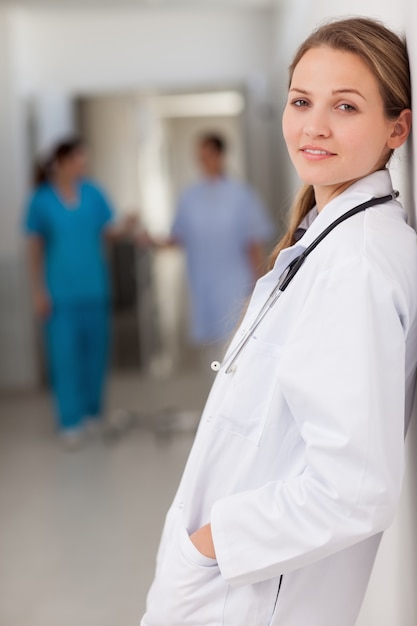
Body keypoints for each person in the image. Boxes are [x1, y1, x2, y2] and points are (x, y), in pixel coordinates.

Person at [141, 16, 417, 626]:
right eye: (300, 101)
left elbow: (355, 488)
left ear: (397, 127)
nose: (313, 126)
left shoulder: (356, 264)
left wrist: (211, 545)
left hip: (250, 595)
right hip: (234, 584)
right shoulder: (332, 240)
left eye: (345, 106)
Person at [24, 138, 131, 448]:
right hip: (59, 294)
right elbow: (34, 249)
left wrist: (127, 226)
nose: (83, 165)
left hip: (94, 289)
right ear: (62, 162)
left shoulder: (93, 193)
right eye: (78, 160)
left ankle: (91, 415)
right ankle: (69, 420)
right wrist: (38, 291)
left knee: (95, 355)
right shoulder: (41, 200)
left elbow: (108, 232)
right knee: (65, 357)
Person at [169, 133, 273, 362]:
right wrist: (147, 239)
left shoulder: (241, 195)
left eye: (208, 154)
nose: (204, 160)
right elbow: (177, 237)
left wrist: (260, 285)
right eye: (200, 156)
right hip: (202, 283)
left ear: (220, 155)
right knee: (211, 353)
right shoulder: (190, 197)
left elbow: (253, 243)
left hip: (235, 282)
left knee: (236, 346)